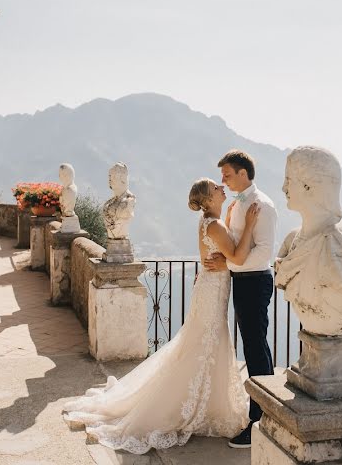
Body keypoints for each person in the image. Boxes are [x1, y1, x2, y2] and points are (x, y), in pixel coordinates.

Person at [62, 178, 259, 454]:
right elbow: (238, 257)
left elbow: (221, 254)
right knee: (205, 345)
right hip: (213, 292)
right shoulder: (214, 225)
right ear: (207, 198)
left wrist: (226, 237)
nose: (222, 189)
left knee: (201, 345)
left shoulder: (208, 222)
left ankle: (204, 401)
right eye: (216, 188)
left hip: (209, 288)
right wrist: (249, 225)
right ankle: (193, 405)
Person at [204, 149, 278, 448]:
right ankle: (267, 410)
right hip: (242, 281)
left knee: (256, 349)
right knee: (254, 347)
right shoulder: (237, 204)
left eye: (227, 175)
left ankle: (259, 420)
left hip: (255, 281)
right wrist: (227, 261)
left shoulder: (264, 206)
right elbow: (236, 244)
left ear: (244, 173)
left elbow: (263, 253)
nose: (223, 180)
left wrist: (228, 264)